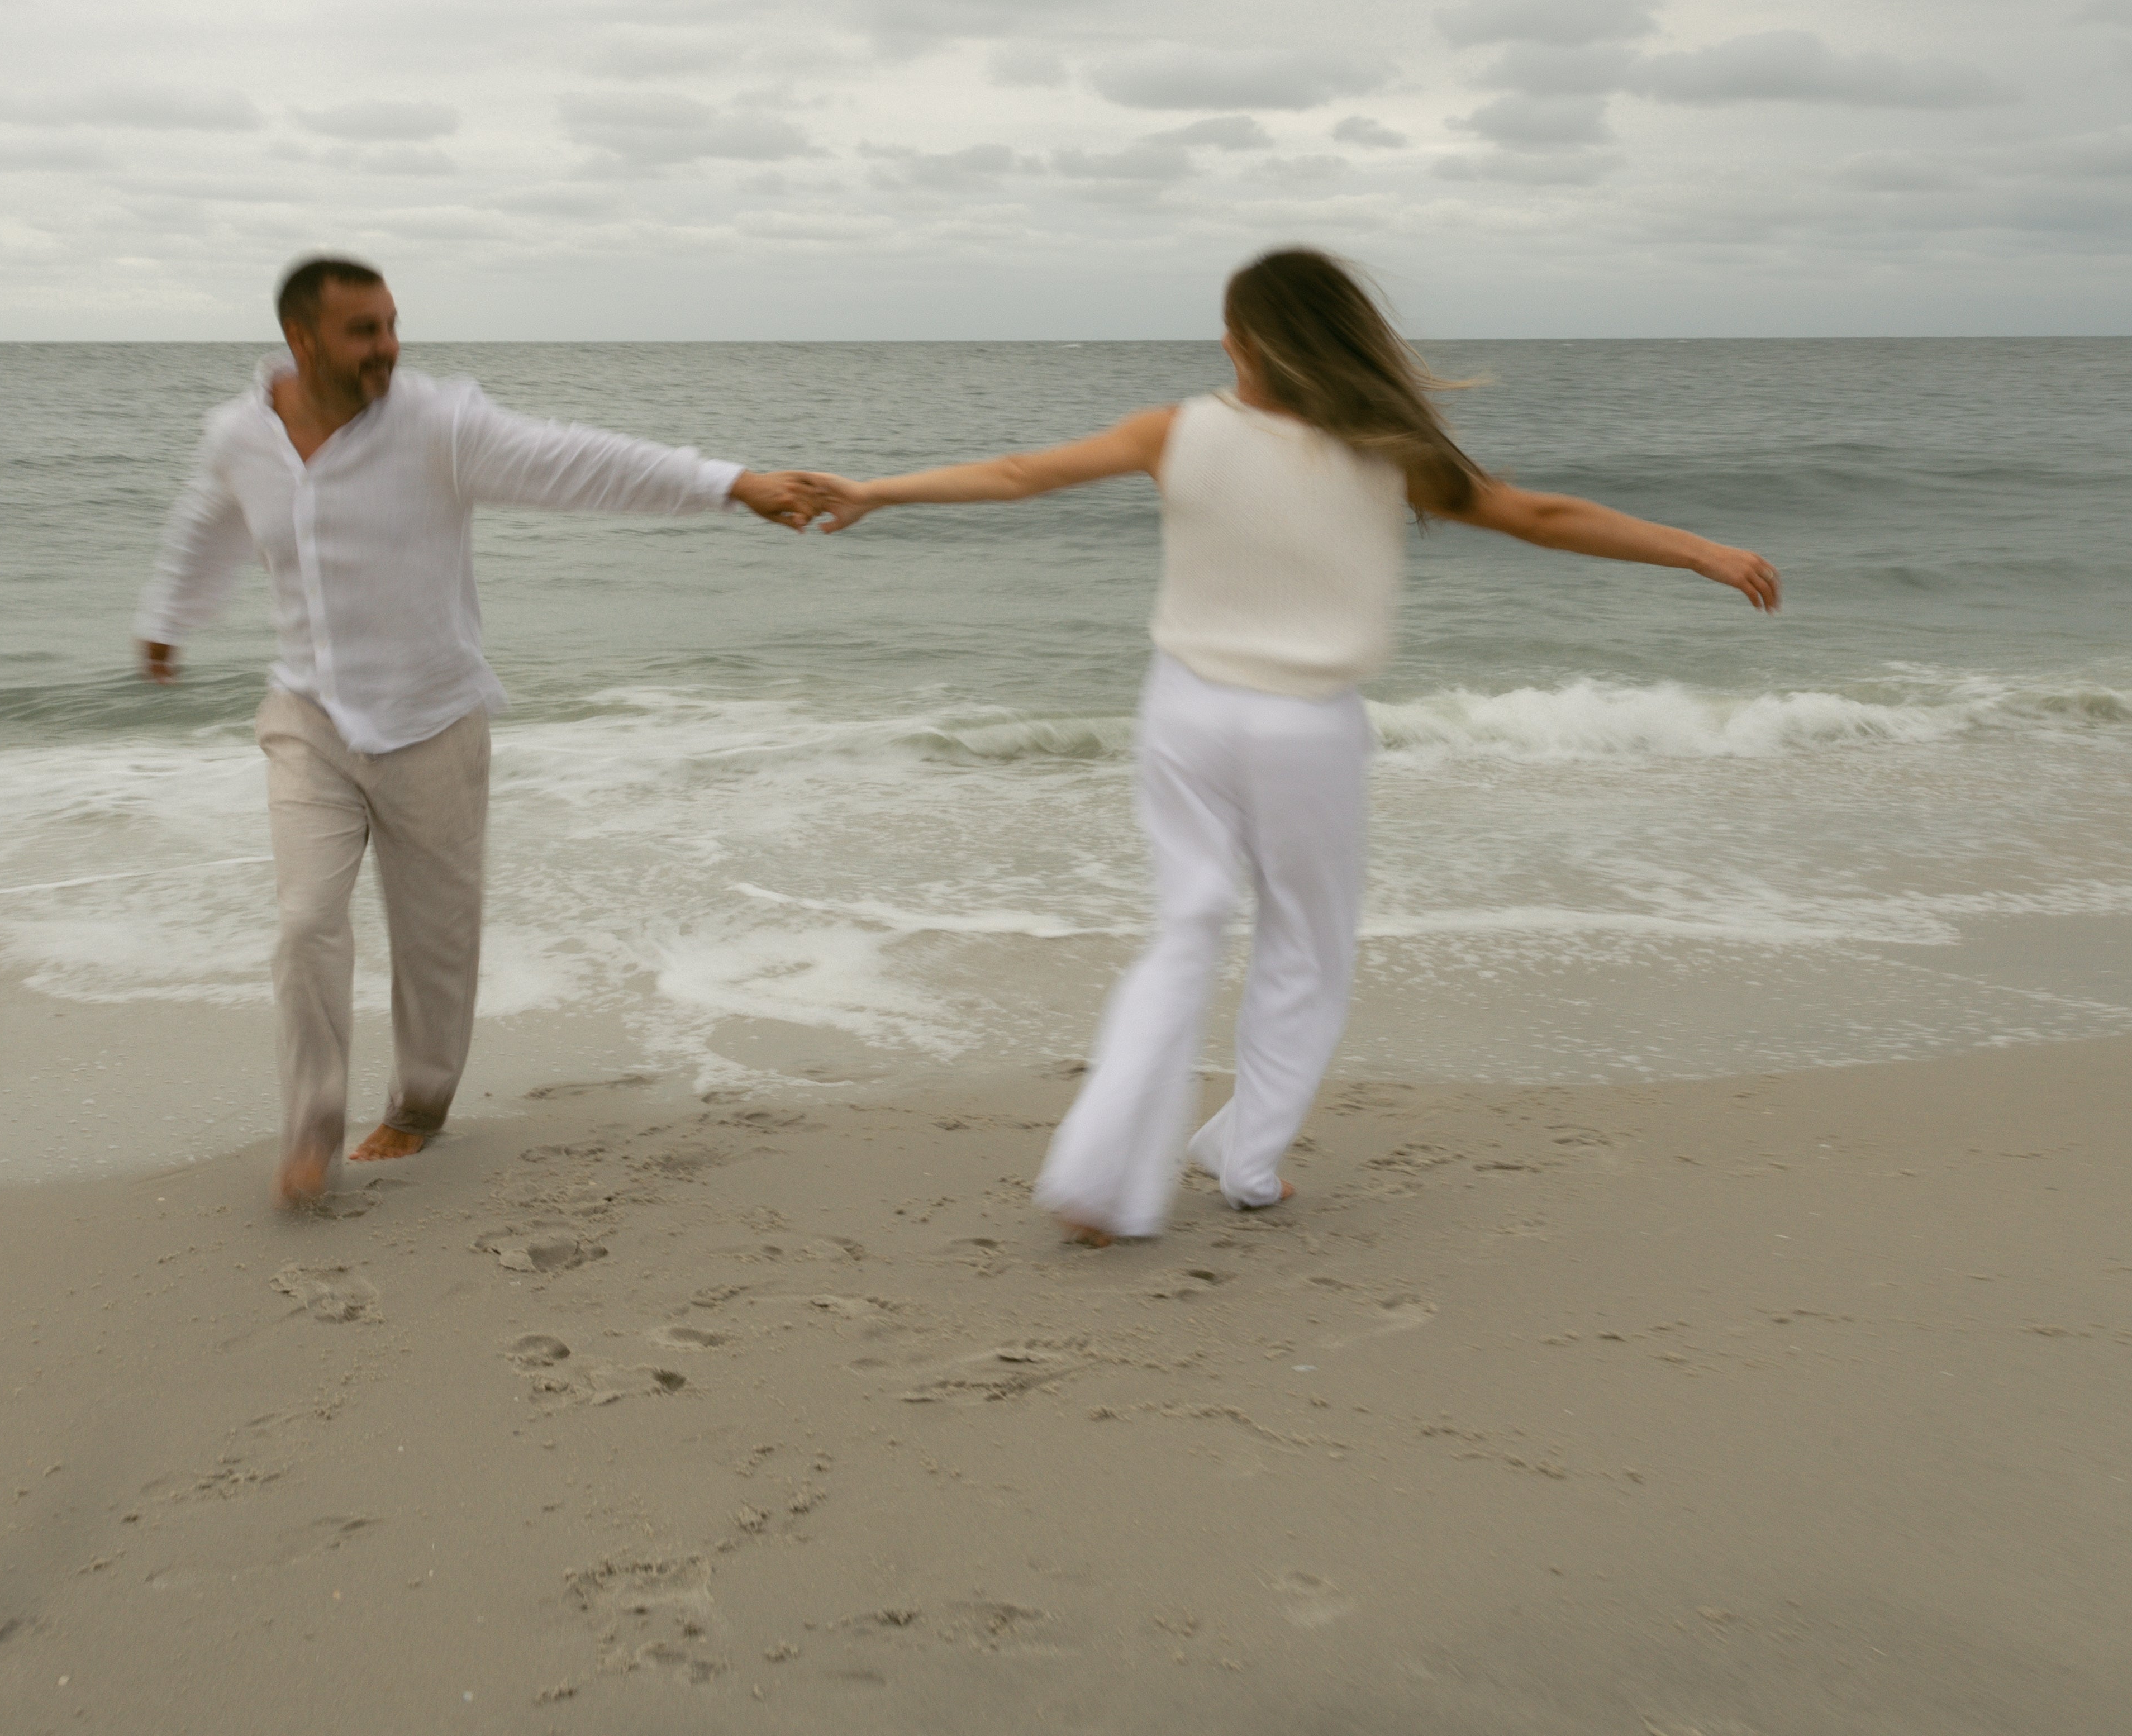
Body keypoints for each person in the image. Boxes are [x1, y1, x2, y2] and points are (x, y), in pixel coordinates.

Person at [806, 248, 1779, 1245]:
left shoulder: (1172, 430)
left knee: (1186, 924)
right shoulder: (1388, 449)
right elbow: (1538, 516)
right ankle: (1246, 1160)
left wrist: (876, 489)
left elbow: (1019, 474)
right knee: (1305, 949)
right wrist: (1697, 549)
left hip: (1182, 710)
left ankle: (1099, 1175)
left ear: (1239, 343)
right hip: (1305, 725)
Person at [137, 256, 824, 1207]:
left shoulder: (438, 423)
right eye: (363, 330)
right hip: (309, 718)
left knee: (435, 942)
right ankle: (311, 1130)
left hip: (432, 719)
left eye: (391, 324)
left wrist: (730, 483)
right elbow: (208, 524)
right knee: (304, 922)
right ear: (301, 338)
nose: (388, 346)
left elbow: (578, 461)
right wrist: (168, 619)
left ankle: (419, 1105)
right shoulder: (240, 435)